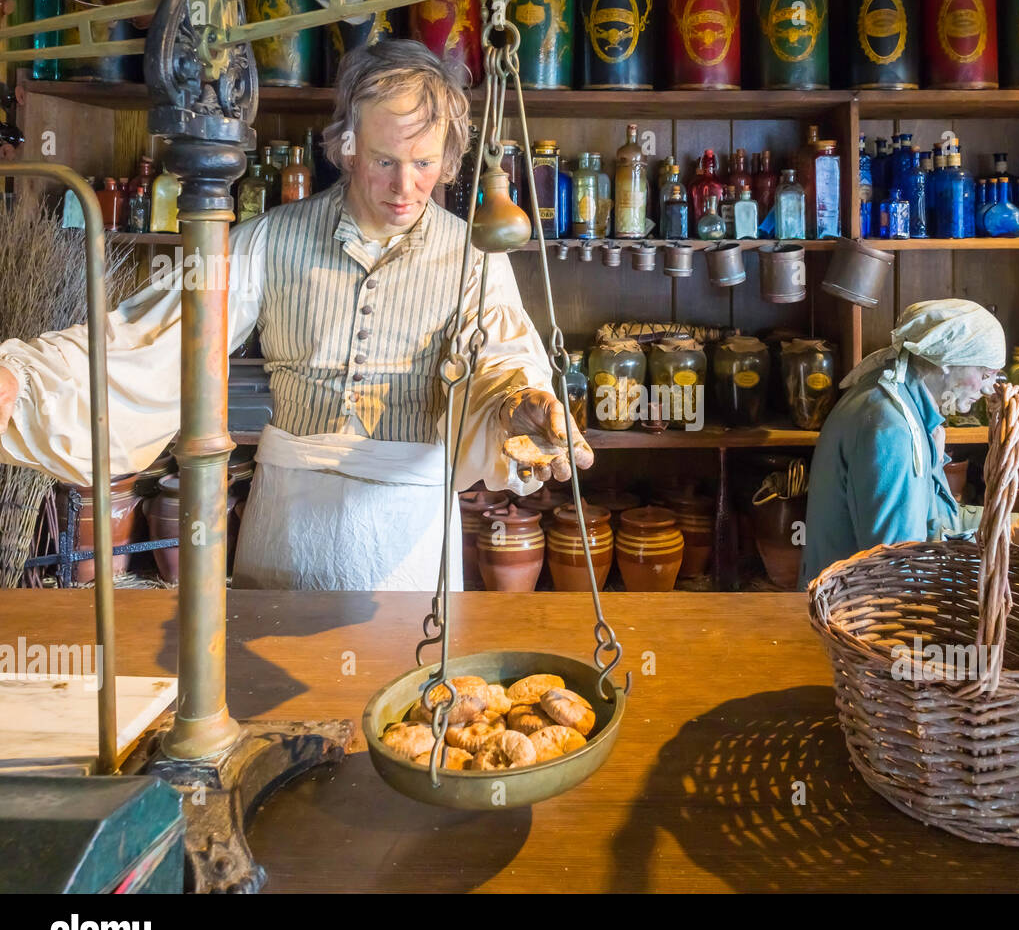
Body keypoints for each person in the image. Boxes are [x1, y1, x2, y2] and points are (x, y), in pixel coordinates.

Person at [0, 40, 591, 590]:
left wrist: (525, 407)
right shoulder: (266, 239)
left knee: (405, 696)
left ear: (452, 158)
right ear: (348, 145)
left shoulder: (473, 257)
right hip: (288, 521)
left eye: (425, 163)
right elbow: (151, 338)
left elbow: (502, 362)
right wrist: (25, 380)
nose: (405, 187)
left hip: (408, 534)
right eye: (385, 161)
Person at [798, 299, 1005, 589]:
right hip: (854, 618)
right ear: (946, 360)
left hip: (855, 605)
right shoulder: (893, 430)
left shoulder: (897, 399)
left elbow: (938, 521)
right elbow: (898, 572)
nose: (986, 389)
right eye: (985, 374)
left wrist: (1010, 525)